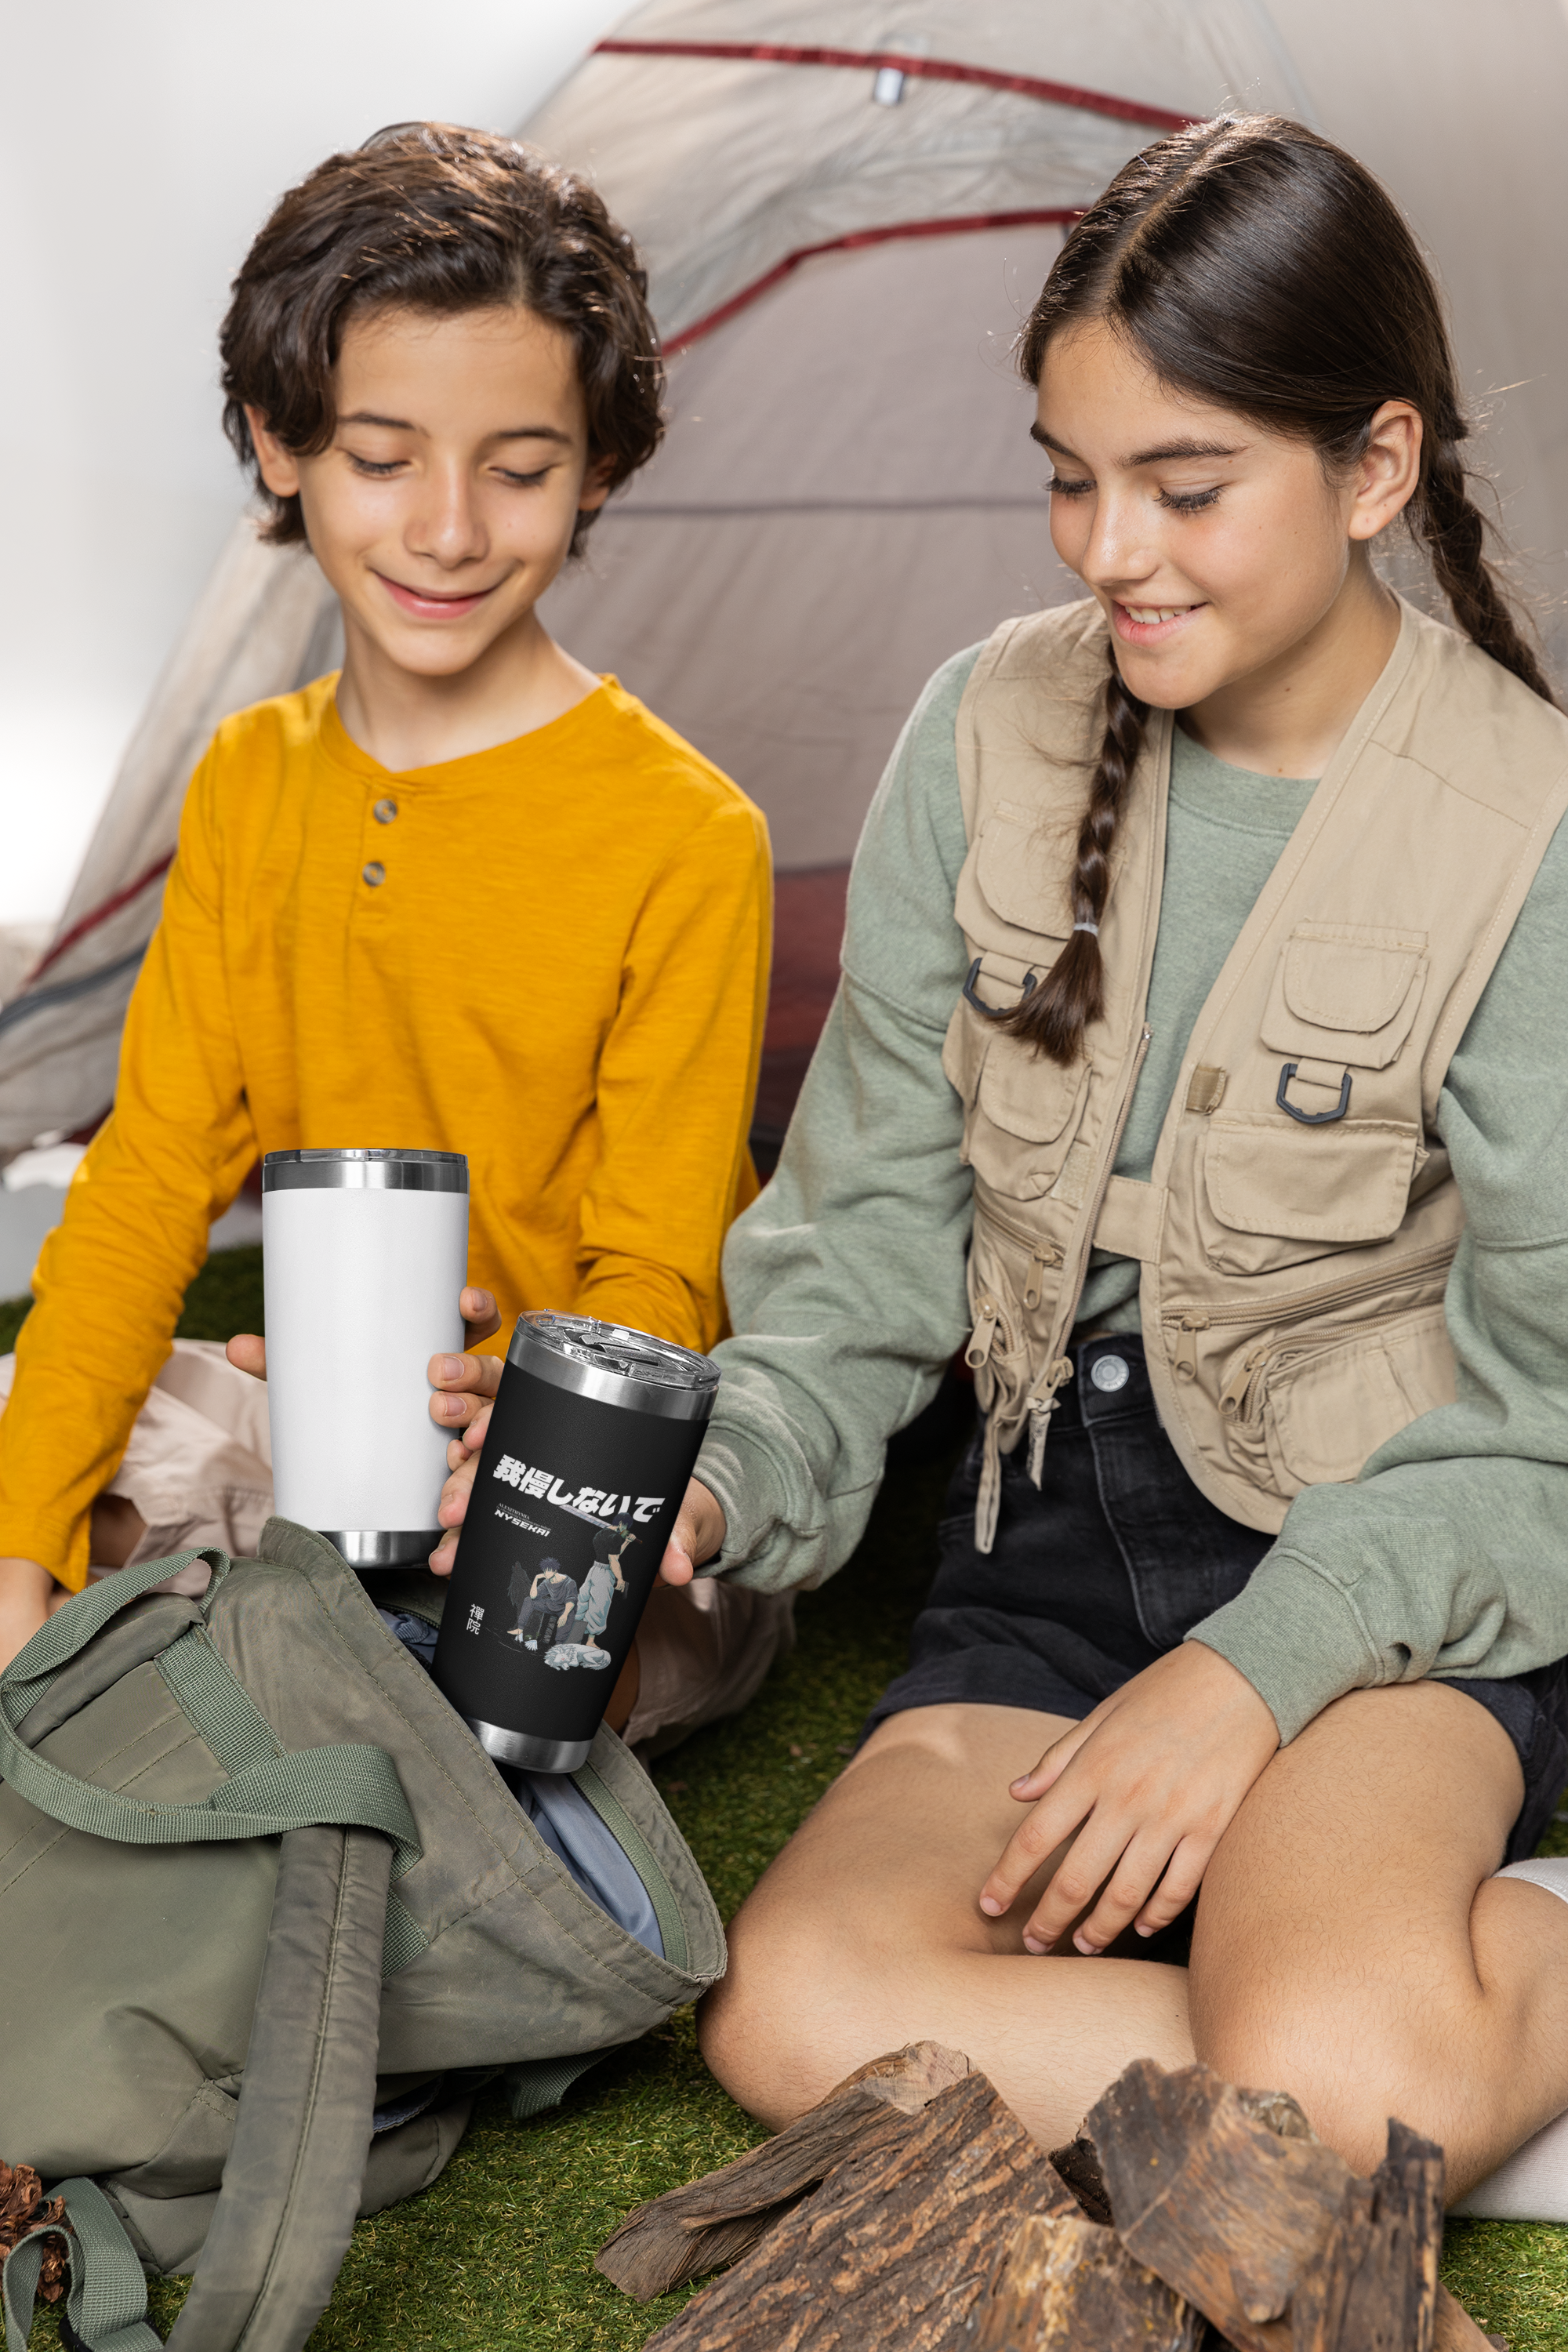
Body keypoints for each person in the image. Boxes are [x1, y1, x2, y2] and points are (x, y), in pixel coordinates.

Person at [440, 111, 1568, 2204]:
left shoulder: (1535, 824)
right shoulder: (983, 733)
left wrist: (1251, 1678)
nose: (1107, 550)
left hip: (1382, 1578)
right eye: (1071, 478)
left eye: (1186, 485)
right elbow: (864, 1251)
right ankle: (1380, 2071)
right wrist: (721, 1472)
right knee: (794, 2007)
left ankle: (1420, 2013)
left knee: (1306, 2083)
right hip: (1044, 1574)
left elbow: (1549, 1423)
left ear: (1377, 469)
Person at [0, 124, 792, 1752]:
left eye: (517, 468)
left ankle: (384, 1674)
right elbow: (150, 1178)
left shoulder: (686, 834)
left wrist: (521, 1422)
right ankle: (277, 1620)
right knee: (37, 1446)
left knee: (539, 1652)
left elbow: (655, 1276)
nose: (447, 528)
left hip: (580, 1448)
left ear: (596, 469)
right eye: (381, 456)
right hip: (315, 1425)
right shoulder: (249, 781)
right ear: (276, 445)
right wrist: (15, 1551)